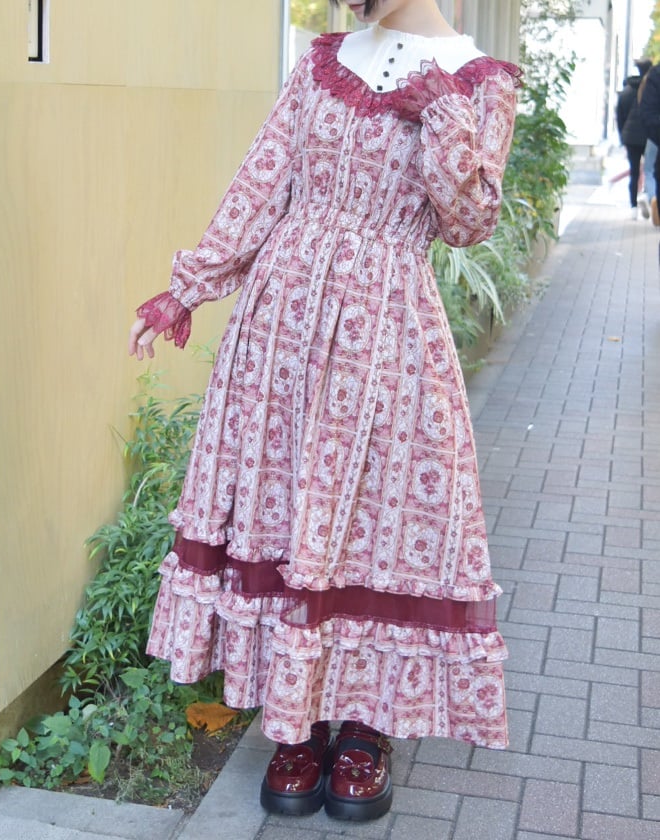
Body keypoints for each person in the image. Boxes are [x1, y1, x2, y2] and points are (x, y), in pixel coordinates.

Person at [128, 0, 519, 822]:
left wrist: (443, 111)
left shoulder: (480, 79)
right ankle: (296, 722)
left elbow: (469, 222)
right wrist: (191, 285)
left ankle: (369, 728)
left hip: (388, 336)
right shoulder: (322, 60)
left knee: (376, 519)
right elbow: (263, 181)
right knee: (287, 511)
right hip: (282, 330)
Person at [616, 58, 652, 219]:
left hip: (630, 137)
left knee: (634, 172)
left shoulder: (626, 92)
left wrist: (623, 137)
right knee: (651, 169)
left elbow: (620, 118)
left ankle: (633, 207)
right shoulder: (651, 90)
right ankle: (648, 195)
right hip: (649, 136)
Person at [640, 60, 660, 226]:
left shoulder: (653, 77)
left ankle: (652, 196)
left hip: (653, 138)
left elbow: (646, 114)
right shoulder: (656, 76)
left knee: (647, 169)